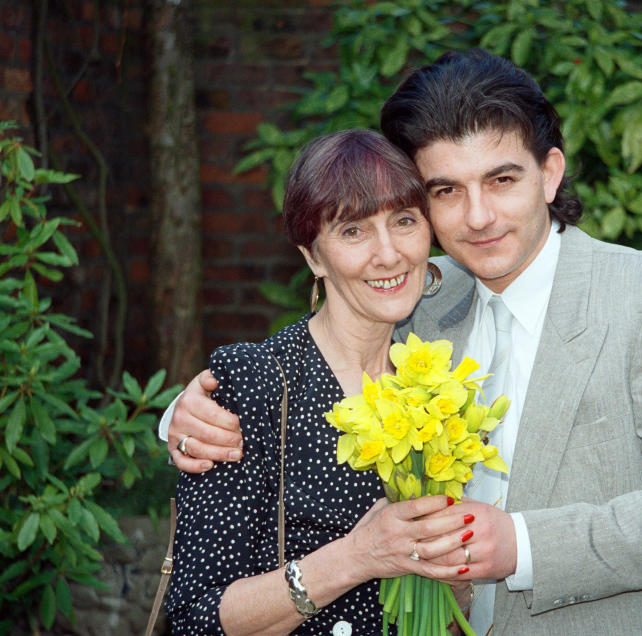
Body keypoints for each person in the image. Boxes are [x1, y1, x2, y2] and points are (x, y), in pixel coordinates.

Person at [163, 49, 642, 635]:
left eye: (501, 180)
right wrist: (187, 414)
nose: (478, 217)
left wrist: (518, 544)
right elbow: (327, 348)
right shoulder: (424, 300)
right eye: (445, 191)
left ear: (549, 173)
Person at [164, 129, 477, 635]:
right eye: (353, 231)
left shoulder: (436, 378)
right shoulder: (256, 382)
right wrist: (358, 556)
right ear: (313, 256)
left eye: (403, 221)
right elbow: (196, 619)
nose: (389, 253)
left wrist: (454, 579)